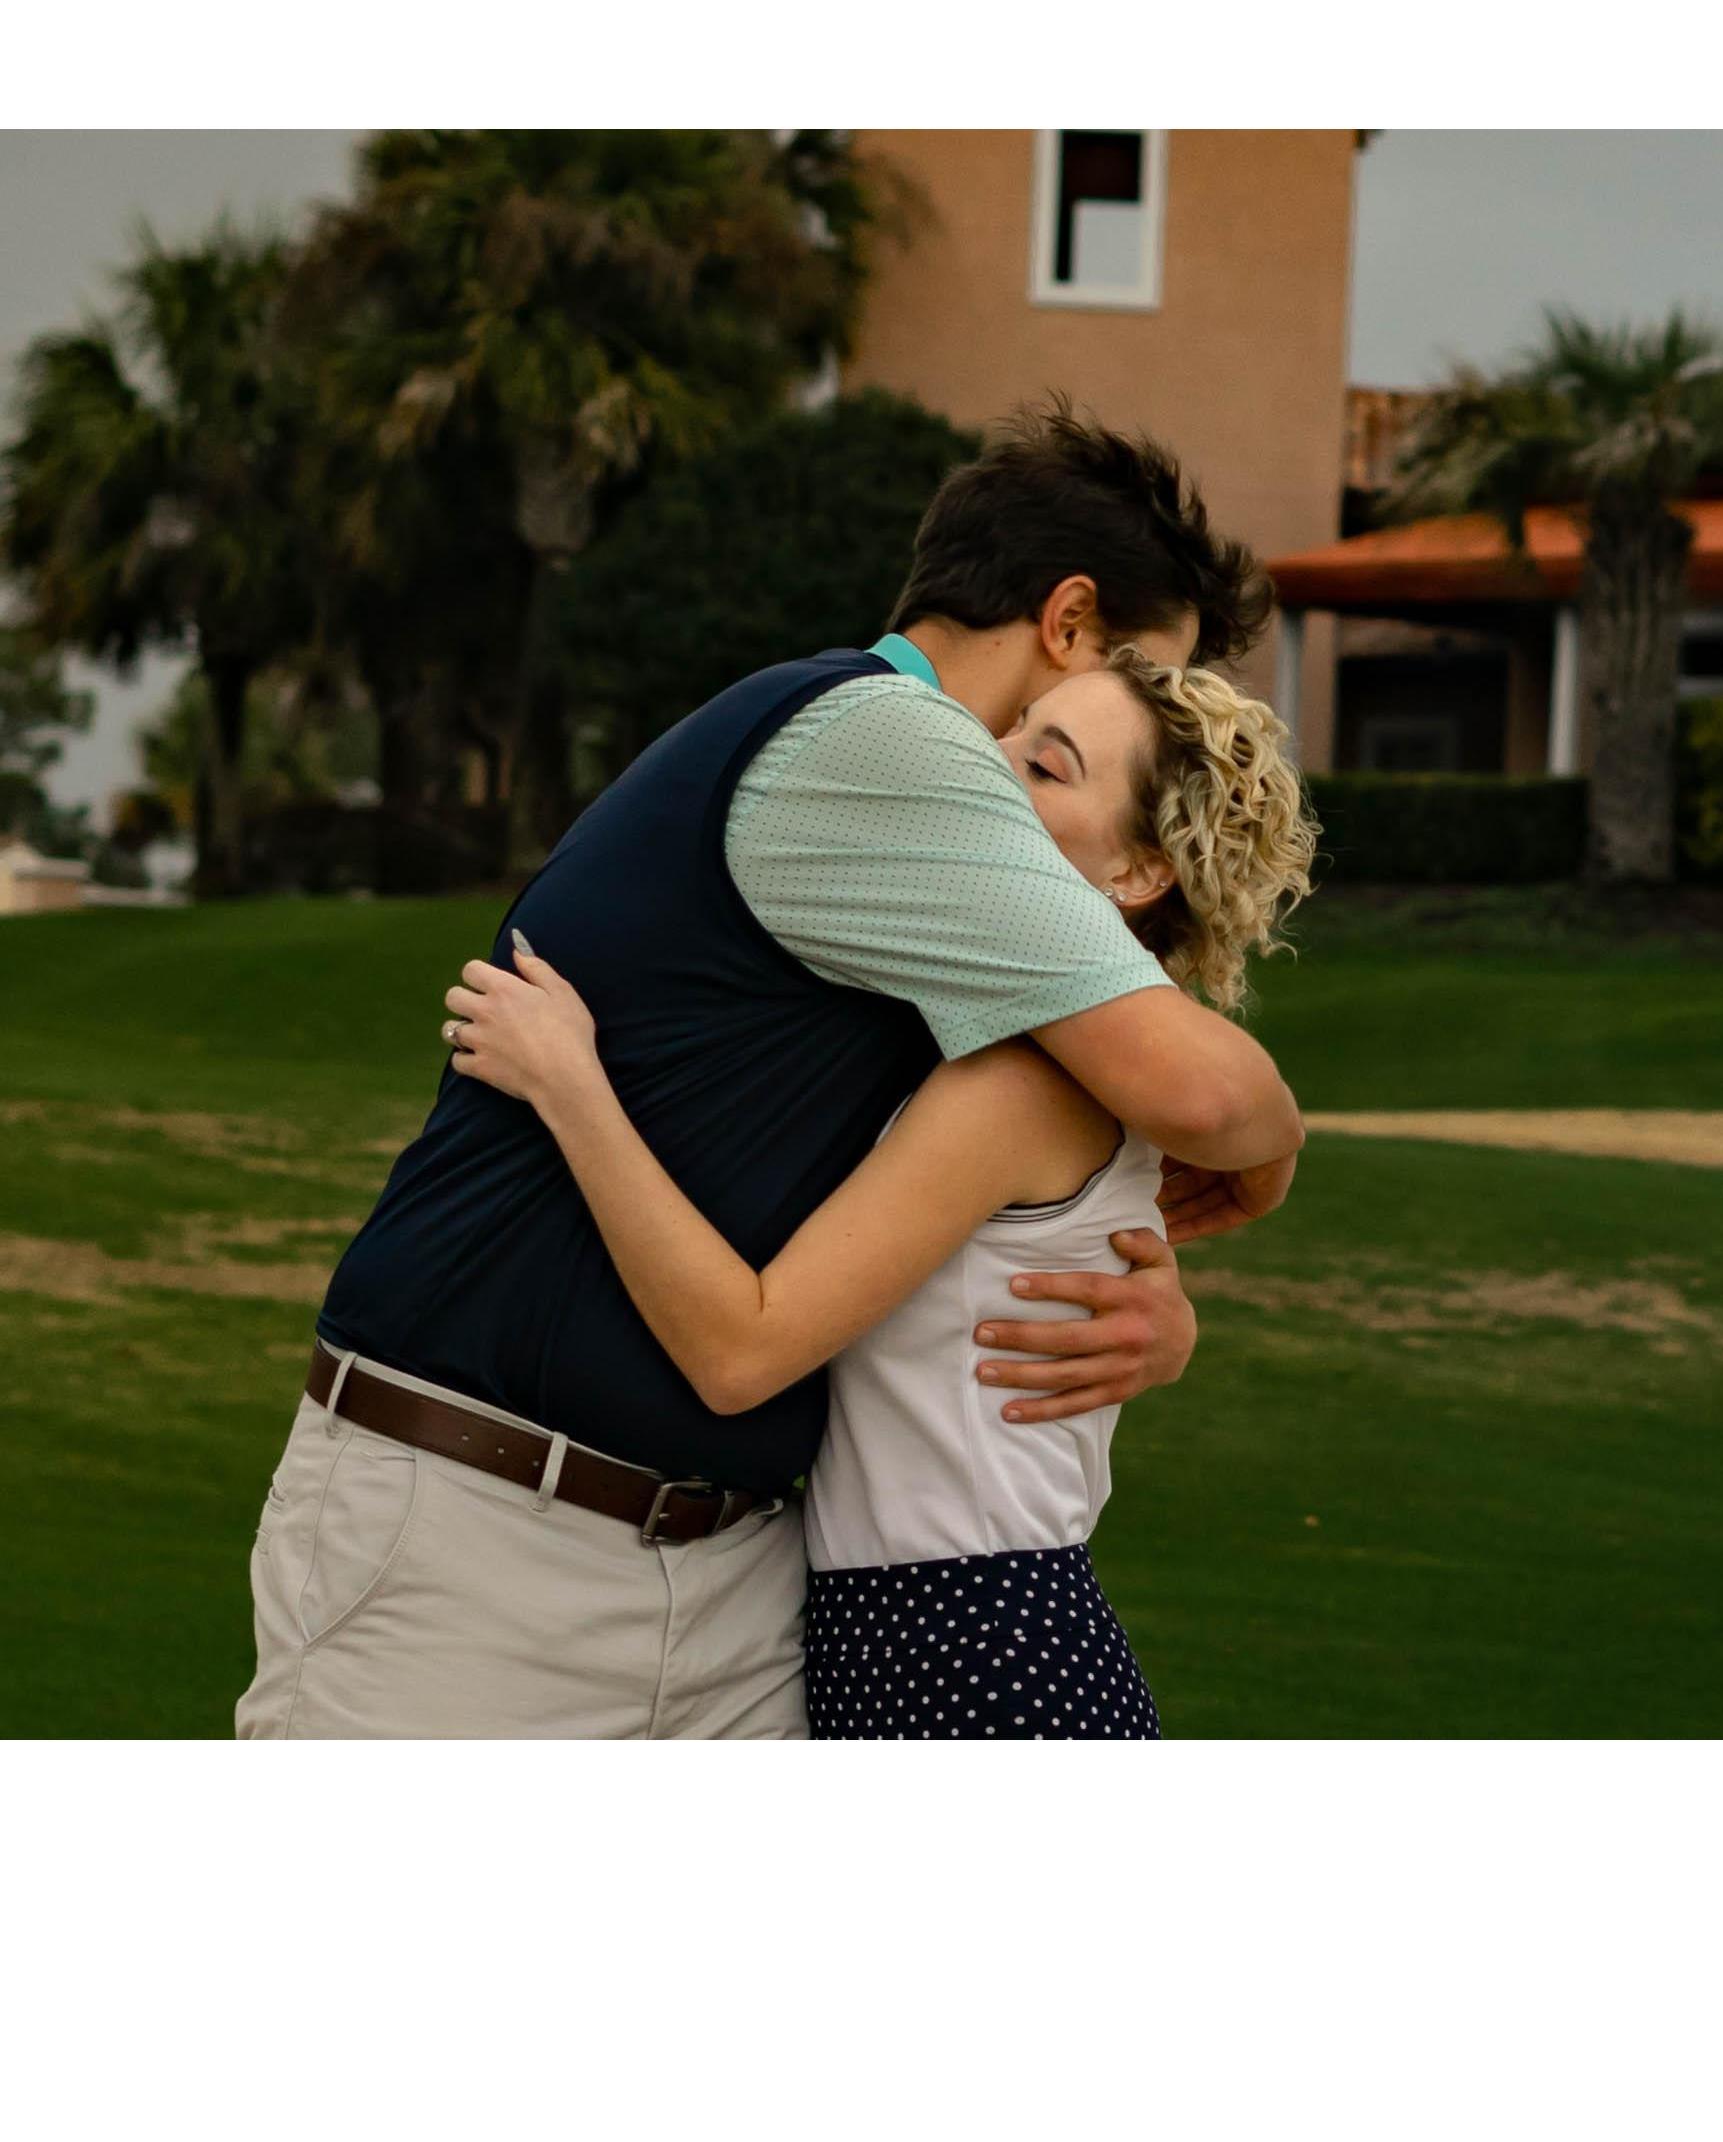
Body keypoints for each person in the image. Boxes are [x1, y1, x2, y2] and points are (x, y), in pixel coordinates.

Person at [237, 405, 1306, 1740]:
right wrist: (1260, 1164)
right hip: (481, 1539)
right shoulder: (885, 742)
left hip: (743, 1587)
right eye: (1144, 672)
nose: (1162, 713)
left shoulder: (971, 910)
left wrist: (1151, 1290)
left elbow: (995, 1210)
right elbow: (1207, 1095)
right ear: (1069, 622)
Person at [437, 651, 1315, 1737]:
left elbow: (741, 1351)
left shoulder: (1019, 1088)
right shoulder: (1016, 1057)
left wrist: (571, 1088)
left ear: (1138, 871)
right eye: (1011, 727)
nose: (983, 758)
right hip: (918, 1633)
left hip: (977, 1652)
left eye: (1045, 765)